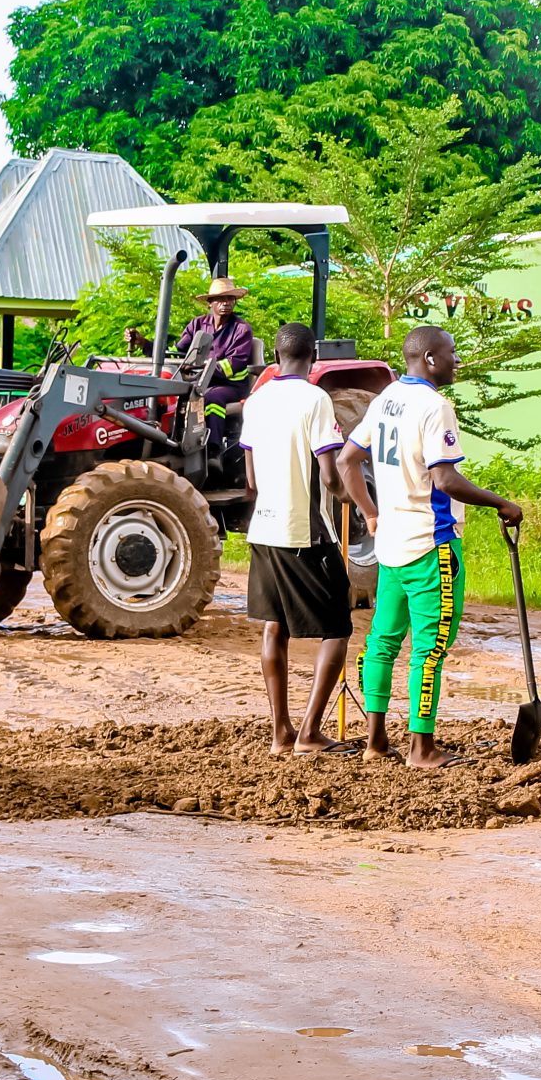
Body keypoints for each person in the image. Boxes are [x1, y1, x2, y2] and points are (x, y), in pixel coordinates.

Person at [335, 327, 522, 770]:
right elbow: (446, 480)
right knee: (429, 649)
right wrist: (502, 503)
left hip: (391, 545)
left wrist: (371, 512)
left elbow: (346, 459)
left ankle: (375, 740)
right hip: (430, 545)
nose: (457, 360)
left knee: (381, 642)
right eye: (452, 353)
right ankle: (421, 747)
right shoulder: (436, 407)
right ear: (431, 358)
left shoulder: (386, 398)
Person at [240, 323, 352, 757]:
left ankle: (280, 733)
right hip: (304, 532)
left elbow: (250, 479)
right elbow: (329, 474)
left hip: (264, 530)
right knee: (337, 628)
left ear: (275, 355)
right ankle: (309, 733)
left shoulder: (257, 400)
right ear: (314, 356)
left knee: (275, 625)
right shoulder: (315, 399)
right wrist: (347, 494)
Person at [179, 277, 261, 444]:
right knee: (175, 396)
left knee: (211, 398)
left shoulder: (241, 329)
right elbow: (178, 352)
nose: (226, 303)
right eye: (221, 299)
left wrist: (200, 368)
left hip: (231, 386)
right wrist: (144, 344)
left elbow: (232, 365)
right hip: (200, 382)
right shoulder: (197, 325)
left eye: (230, 298)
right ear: (210, 303)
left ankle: (213, 449)